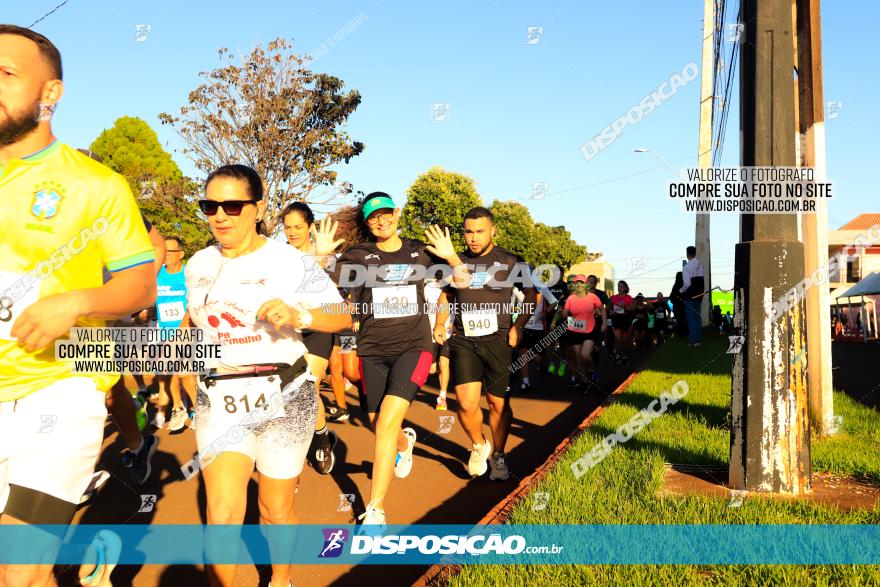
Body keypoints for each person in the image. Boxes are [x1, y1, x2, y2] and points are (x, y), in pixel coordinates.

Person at [0, 25, 157, 586]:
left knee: (15, 572)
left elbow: (141, 284)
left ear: (51, 93)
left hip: (60, 390)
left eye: (7, 72)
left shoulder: (96, 186)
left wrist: (77, 301)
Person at [186, 164, 350, 587]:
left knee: (274, 509)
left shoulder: (289, 260)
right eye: (210, 206)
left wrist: (301, 314)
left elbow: (342, 316)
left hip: (284, 394)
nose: (219, 215)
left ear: (256, 209)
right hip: (220, 394)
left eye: (232, 205)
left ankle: (281, 579)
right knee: (222, 513)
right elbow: (193, 322)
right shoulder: (198, 264)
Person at [317, 191, 466, 525]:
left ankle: (376, 511)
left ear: (396, 213)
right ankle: (405, 442)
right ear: (367, 223)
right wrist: (320, 259)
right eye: (373, 216)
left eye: (385, 213)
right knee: (378, 425)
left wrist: (452, 257)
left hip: (414, 347)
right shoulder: (357, 255)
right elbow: (319, 289)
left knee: (385, 423)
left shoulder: (420, 252)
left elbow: (465, 283)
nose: (381, 220)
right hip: (373, 350)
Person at [435, 207, 537, 481]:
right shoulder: (454, 261)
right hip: (464, 339)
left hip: (499, 340)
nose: (474, 238)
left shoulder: (511, 261)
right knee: (466, 405)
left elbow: (530, 295)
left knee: (497, 403)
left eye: (480, 231)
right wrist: (438, 323)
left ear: (493, 231)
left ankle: (500, 456)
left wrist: (519, 325)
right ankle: (479, 445)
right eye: (469, 232)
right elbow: (445, 298)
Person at [280, 202, 339, 475]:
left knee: (307, 387)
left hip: (317, 330)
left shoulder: (327, 256)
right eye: (287, 227)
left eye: (298, 227)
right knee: (287, 391)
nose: (292, 232)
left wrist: (320, 260)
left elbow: (334, 301)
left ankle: (321, 439)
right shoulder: (277, 257)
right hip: (287, 332)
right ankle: (317, 432)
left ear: (310, 227)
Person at [153, 236, 192, 433]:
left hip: (186, 330)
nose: (166, 255)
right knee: (173, 371)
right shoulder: (157, 273)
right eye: (164, 251)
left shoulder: (189, 273)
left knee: (187, 374)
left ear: (181, 254)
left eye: (170, 252)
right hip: (163, 332)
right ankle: (179, 407)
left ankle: (192, 408)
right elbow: (152, 300)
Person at [551, 275, 606, 392]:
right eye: (577, 283)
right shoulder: (570, 299)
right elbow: (564, 313)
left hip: (589, 330)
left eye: (581, 283)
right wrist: (565, 314)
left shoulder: (593, 297)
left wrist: (604, 323)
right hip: (575, 331)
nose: (579, 285)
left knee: (585, 355)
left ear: (586, 284)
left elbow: (602, 310)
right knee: (579, 357)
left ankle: (591, 370)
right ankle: (585, 382)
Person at [518, 279, 558, 392]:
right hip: (522, 326)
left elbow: (554, 301)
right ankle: (526, 382)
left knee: (538, 358)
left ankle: (541, 365)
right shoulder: (517, 288)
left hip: (538, 327)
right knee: (522, 352)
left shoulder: (541, 287)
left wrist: (546, 311)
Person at [425, 272, 453, 408]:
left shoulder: (452, 288)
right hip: (432, 331)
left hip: (448, 332)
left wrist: (454, 324)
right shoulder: (428, 288)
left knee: (444, 364)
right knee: (431, 369)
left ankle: (442, 397)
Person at [680, 245, 705, 346]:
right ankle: (698, 339)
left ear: (687, 254)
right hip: (699, 295)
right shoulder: (700, 265)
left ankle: (694, 340)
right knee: (697, 317)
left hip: (689, 295)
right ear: (695, 253)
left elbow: (687, 284)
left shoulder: (686, 267)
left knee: (691, 319)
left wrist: (681, 290)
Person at [609, 281, 635, 365]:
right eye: (618, 286)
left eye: (622, 286)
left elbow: (632, 309)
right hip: (616, 319)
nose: (620, 288)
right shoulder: (613, 297)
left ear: (625, 288)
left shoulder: (628, 297)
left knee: (624, 340)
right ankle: (617, 355)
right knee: (617, 339)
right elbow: (609, 308)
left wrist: (625, 306)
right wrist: (611, 311)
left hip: (625, 319)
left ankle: (623, 354)